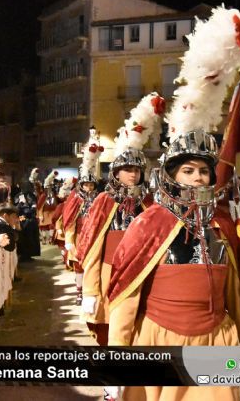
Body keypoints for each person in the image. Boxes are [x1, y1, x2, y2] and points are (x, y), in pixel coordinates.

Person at [106, 8, 240, 400]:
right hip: (160, 342)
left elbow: (238, 296)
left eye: (203, 172)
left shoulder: (223, 225)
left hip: (216, 344)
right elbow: (126, 299)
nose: (197, 178)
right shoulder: (149, 224)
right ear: (173, 176)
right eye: (188, 171)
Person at [76, 93, 163, 346]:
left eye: (137, 170)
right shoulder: (104, 200)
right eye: (128, 169)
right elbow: (92, 249)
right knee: (108, 327)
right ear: (115, 172)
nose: (133, 175)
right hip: (107, 271)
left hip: (141, 272)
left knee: (137, 329)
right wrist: (91, 289)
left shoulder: (148, 203)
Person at [66, 131, 103, 305]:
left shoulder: (99, 198)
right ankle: (79, 292)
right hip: (80, 237)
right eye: (86, 184)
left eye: (91, 184)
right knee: (79, 267)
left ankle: (92, 292)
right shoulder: (76, 198)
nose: (88, 187)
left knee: (94, 266)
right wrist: (69, 241)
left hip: (95, 237)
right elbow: (70, 221)